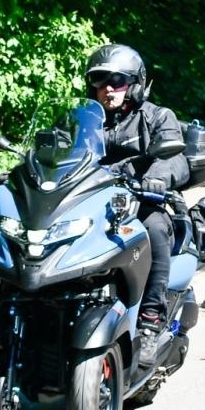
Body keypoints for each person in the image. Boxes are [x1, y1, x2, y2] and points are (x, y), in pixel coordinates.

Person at [85, 43, 189, 367]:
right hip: (90, 203)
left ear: (135, 83)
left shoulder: (157, 117)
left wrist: (157, 177)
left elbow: (174, 157)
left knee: (156, 228)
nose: (108, 88)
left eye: (116, 80)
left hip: (141, 202)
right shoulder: (83, 123)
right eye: (100, 81)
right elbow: (57, 155)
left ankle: (150, 319)